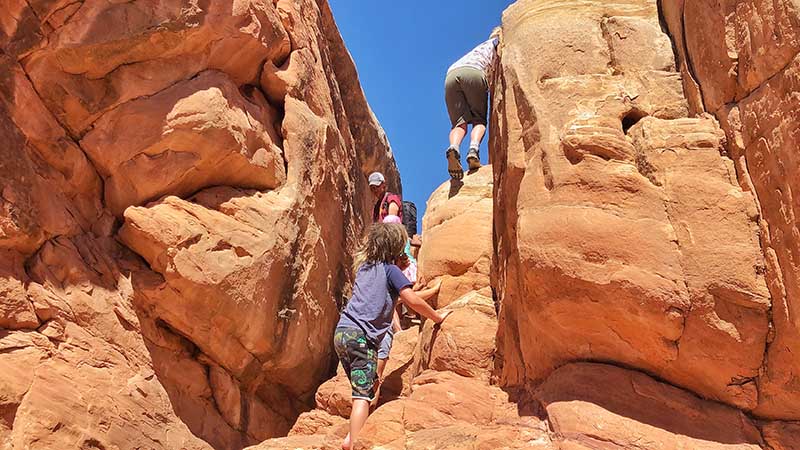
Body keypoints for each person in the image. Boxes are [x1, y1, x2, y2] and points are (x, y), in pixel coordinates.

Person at [334, 223, 450, 450]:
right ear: (396, 247)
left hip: (343, 333)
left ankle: (349, 439)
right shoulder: (391, 271)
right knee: (362, 395)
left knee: (367, 386)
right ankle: (355, 445)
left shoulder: (366, 268)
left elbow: (392, 298)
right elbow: (411, 300)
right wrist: (437, 317)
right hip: (362, 337)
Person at [444, 27, 502, 180]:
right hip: (475, 71)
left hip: (452, 74)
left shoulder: (479, 48)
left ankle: (454, 147)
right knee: (479, 120)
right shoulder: (498, 42)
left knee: (459, 124)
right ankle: (473, 150)